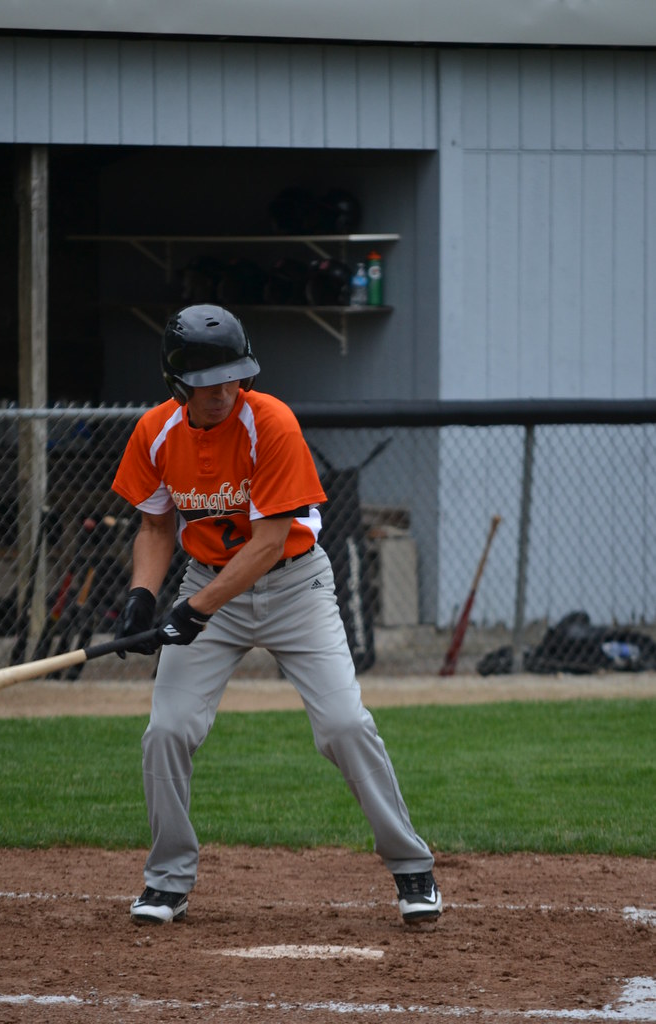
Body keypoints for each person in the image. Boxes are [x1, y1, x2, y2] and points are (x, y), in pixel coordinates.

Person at [112, 303, 442, 927]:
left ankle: (410, 865)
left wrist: (192, 612)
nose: (224, 392)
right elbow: (156, 526)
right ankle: (167, 880)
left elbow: (268, 543)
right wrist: (143, 595)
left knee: (344, 725)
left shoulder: (272, 423)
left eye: (233, 377)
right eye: (208, 383)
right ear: (178, 384)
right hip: (206, 580)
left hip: (294, 588)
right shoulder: (155, 432)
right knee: (167, 731)